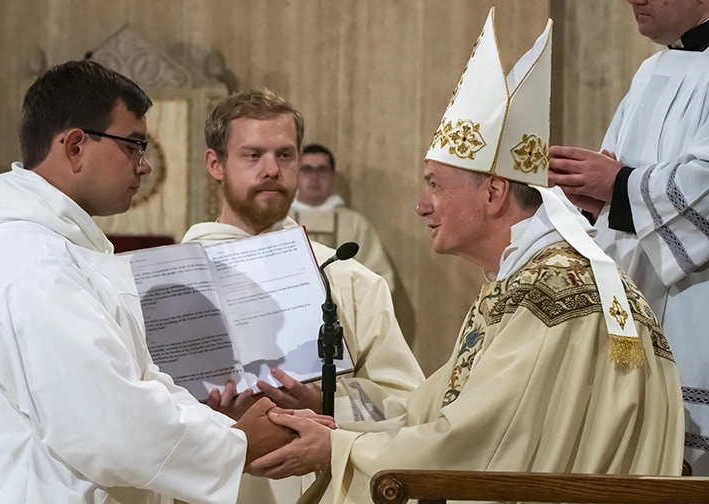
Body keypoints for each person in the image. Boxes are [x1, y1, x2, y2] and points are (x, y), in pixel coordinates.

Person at [247, 10, 685, 504]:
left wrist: (337, 449)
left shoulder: (552, 296)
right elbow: (433, 414)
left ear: (495, 193)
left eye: (435, 185)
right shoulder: (519, 283)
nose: (421, 205)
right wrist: (333, 410)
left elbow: (475, 444)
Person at [0, 60, 297, 504]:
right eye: (134, 146)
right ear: (76, 146)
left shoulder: (41, 252)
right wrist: (238, 444)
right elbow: (107, 424)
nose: (145, 167)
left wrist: (221, 426)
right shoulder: (33, 264)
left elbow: (134, 384)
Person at [181, 88, 425, 503]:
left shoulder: (349, 280)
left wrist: (323, 399)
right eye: (252, 155)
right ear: (215, 164)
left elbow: (407, 407)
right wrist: (201, 409)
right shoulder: (174, 284)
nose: (272, 170)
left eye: (285, 155)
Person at [549, 0, 709, 473]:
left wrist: (617, 186)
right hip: (638, 299)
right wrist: (596, 195)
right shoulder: (649, 73)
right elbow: (615, 179)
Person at [290, 144, 396, 291]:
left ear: (332, 175)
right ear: (295, 174)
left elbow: (379, 279)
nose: (314, 177)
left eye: (322, 170)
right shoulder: (280, 220)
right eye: (307, 169)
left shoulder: (354, 223)